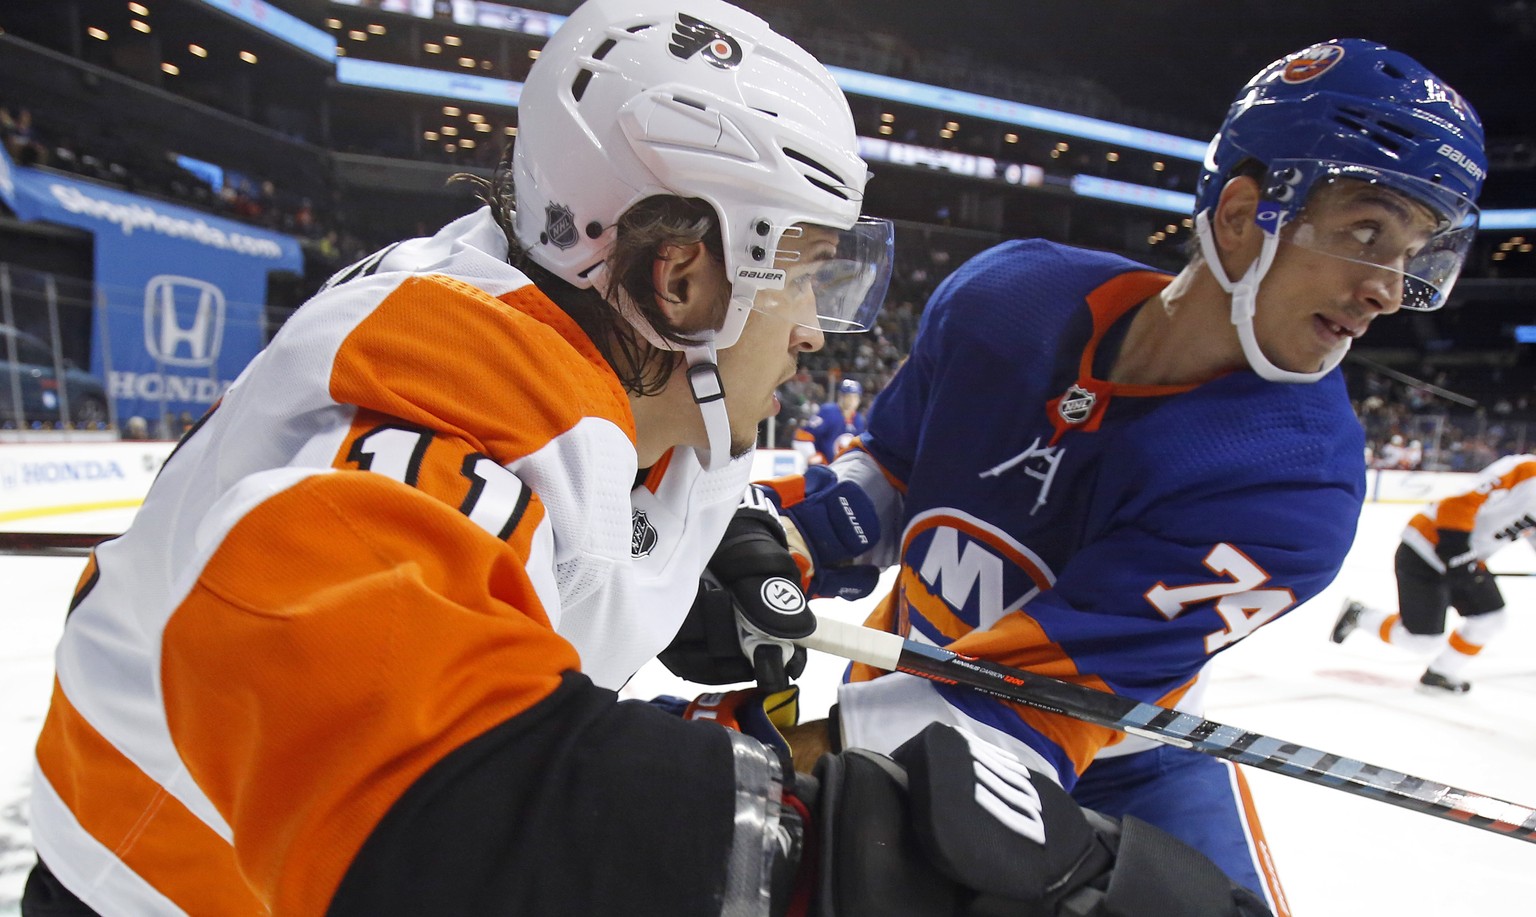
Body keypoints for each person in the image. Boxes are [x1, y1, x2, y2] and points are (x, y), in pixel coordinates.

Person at [20, 2, 1258, 915]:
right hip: (175, 882)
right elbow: (371, 736)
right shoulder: (451, 373)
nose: (822, 320)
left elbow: (592, 477)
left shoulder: (637, 366)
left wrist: (727, 540)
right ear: (687, 275)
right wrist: (829, 855)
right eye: (811, 266)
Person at [720, 38, 1484, 917]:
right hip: (899, 690)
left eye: (1416, 253)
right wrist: (776, 541)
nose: (1388, 290)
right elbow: (889, 473)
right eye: (1367, 233)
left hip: (1123, 765)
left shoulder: (1298, 482)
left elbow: (1031, 704)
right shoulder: (1007, 297)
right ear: (1242, 214)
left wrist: (746, 777)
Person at [1332, 453, 1535, 692]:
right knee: (1422, 642)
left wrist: (1463, 561)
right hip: (1425, 548)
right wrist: (1457, 554)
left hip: (1468, 560)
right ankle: (1360, 615)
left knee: (1491, 619)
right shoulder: (1525, 469)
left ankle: (1440, 673)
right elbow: (1458, 503)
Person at [794, 376, 868, 463]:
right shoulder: (828, 412)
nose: (851, 401)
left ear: (859, 399)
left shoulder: (859, 420)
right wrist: (813, 456)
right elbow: (802, 436)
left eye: (854, 397)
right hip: (825, 468)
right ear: (840, 396)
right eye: (847, 396)